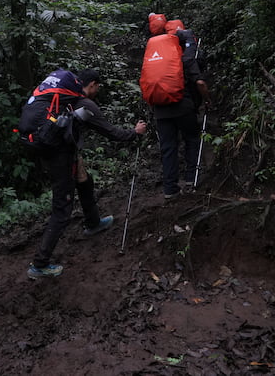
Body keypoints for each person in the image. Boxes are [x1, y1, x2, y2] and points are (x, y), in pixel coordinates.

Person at [28, 69, 147, 279]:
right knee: (62, 209)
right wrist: (134, 133)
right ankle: (39, 265)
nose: (97, 91)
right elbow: (110, 132)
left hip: (53, 151)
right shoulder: (83, 103)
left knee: (84, 181)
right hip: (60, 158)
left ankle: (93, 222)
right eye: (97, 87)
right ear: (92, 84)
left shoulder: (59, 99)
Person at [148, 17, 211, 200]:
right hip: (183, 107)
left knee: (168, 148)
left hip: (161, 110)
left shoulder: (160, 58)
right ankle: (191, 180)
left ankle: (170, 189)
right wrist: (207, 100)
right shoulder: (186, 57)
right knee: (191, 139)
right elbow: (200, 83)